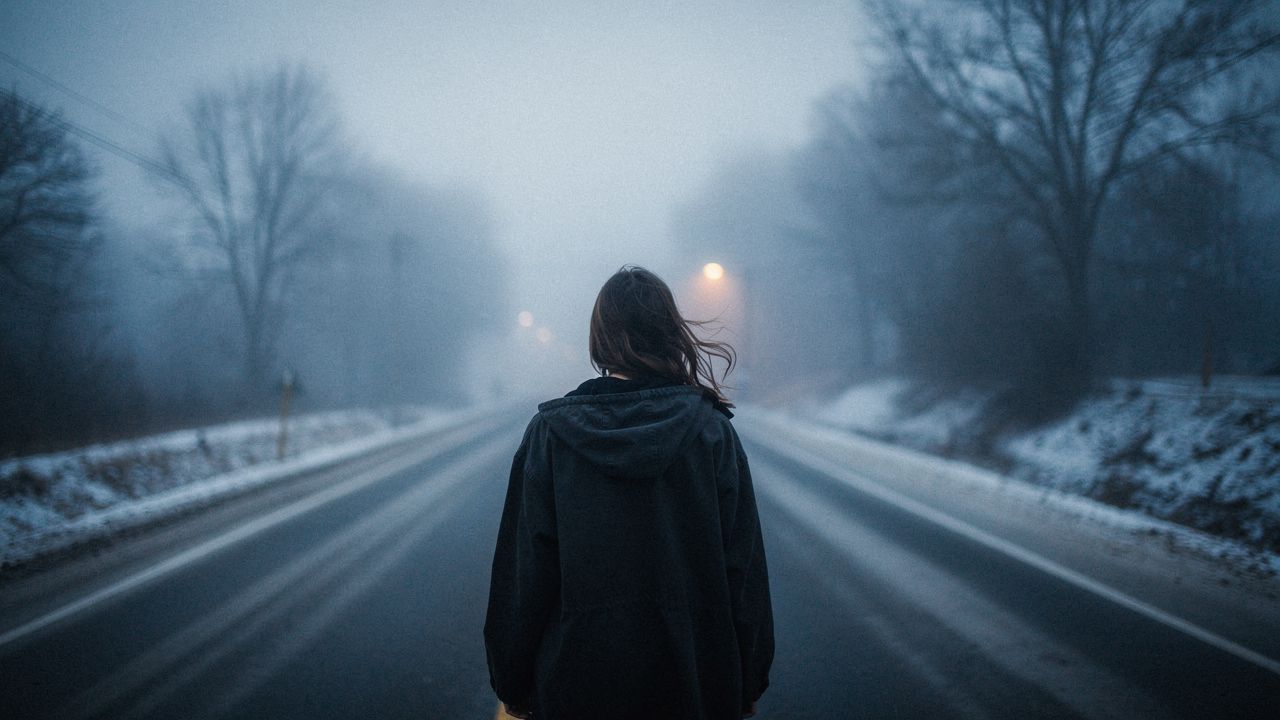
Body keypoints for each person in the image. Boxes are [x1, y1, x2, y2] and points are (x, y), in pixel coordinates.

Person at [484, 266, 774, 720]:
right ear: (669, 333)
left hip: (576, 686)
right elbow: (743, 569)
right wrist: (750, 676)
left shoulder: (551, 437)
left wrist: (512, 679)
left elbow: (524, 573)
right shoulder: (711, 434)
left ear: (600, 337)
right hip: (693, 682)